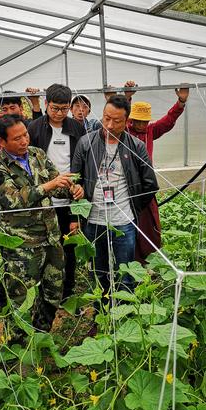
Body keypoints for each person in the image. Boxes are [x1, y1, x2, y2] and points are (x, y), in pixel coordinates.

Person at [0, 115, 83, 332]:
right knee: (21, 296)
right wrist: (49, 186)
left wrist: (71, 189)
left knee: (53, 291)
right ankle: (19, 341)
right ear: (2, 142)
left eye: (26, 135)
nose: (24, 141)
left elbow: (57, 184)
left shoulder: (37, 155)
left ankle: (41, 331)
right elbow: (14, 199)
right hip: (22, 245)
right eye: (17, 138)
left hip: (50, 237)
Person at [71, 95, 158, 293]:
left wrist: (132, 207)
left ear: (127, 122)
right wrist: (77, 188)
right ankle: (102, 316)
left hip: (123, 221)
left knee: (125, 273)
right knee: (99, 272)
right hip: (93, 220)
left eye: (116, 121)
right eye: (106, 118)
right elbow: (75, 177)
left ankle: (123, 316)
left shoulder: (136, 147)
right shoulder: (86, 143)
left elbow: (150, 184)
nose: (109, 125)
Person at [27, 84, 85, 298]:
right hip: (44, 201)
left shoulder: (77, 129)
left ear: (69, 107)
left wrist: (77, 200)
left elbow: (83, 163)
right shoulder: (34, 129)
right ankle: (45, 291)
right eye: (54, 108)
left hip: (69, 198)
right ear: (45, 105)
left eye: (63, 108)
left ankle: (67, 291)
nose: (59, 113)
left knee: (68, 247)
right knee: (44, 248)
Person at [126, 87, 189, 262]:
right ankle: (132, 257)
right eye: (138, 120)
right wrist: (127, 98)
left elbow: (168, 121)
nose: (141, 125)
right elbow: (118, 115)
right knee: (129, 222)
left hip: (146, 185)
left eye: (144, 121)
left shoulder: (151, 131)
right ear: (131, 119)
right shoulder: (124, 131)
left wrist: (180, 103)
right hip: (127, 185)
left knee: (149, 222)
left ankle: (150, 257)